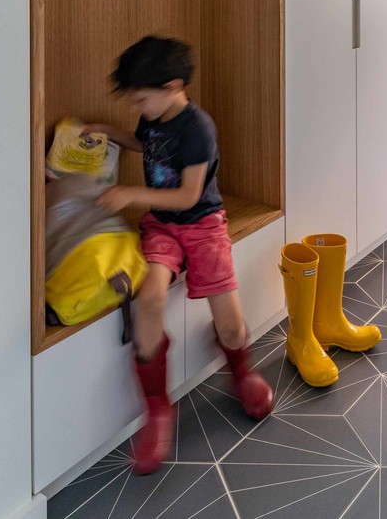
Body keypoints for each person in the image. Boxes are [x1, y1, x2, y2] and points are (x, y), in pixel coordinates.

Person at [85, 35, 273, 475]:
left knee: (230, 324)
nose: (135, 107)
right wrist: (110, 132)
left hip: (203, 224)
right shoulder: (153, 121)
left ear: (172, 87)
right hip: (164, 228)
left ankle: (241, 369)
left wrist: (130, 193)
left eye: (140, 98)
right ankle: (158, 409)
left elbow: (190, 196)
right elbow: (145, 144)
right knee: (147, 299)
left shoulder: (198, 128)